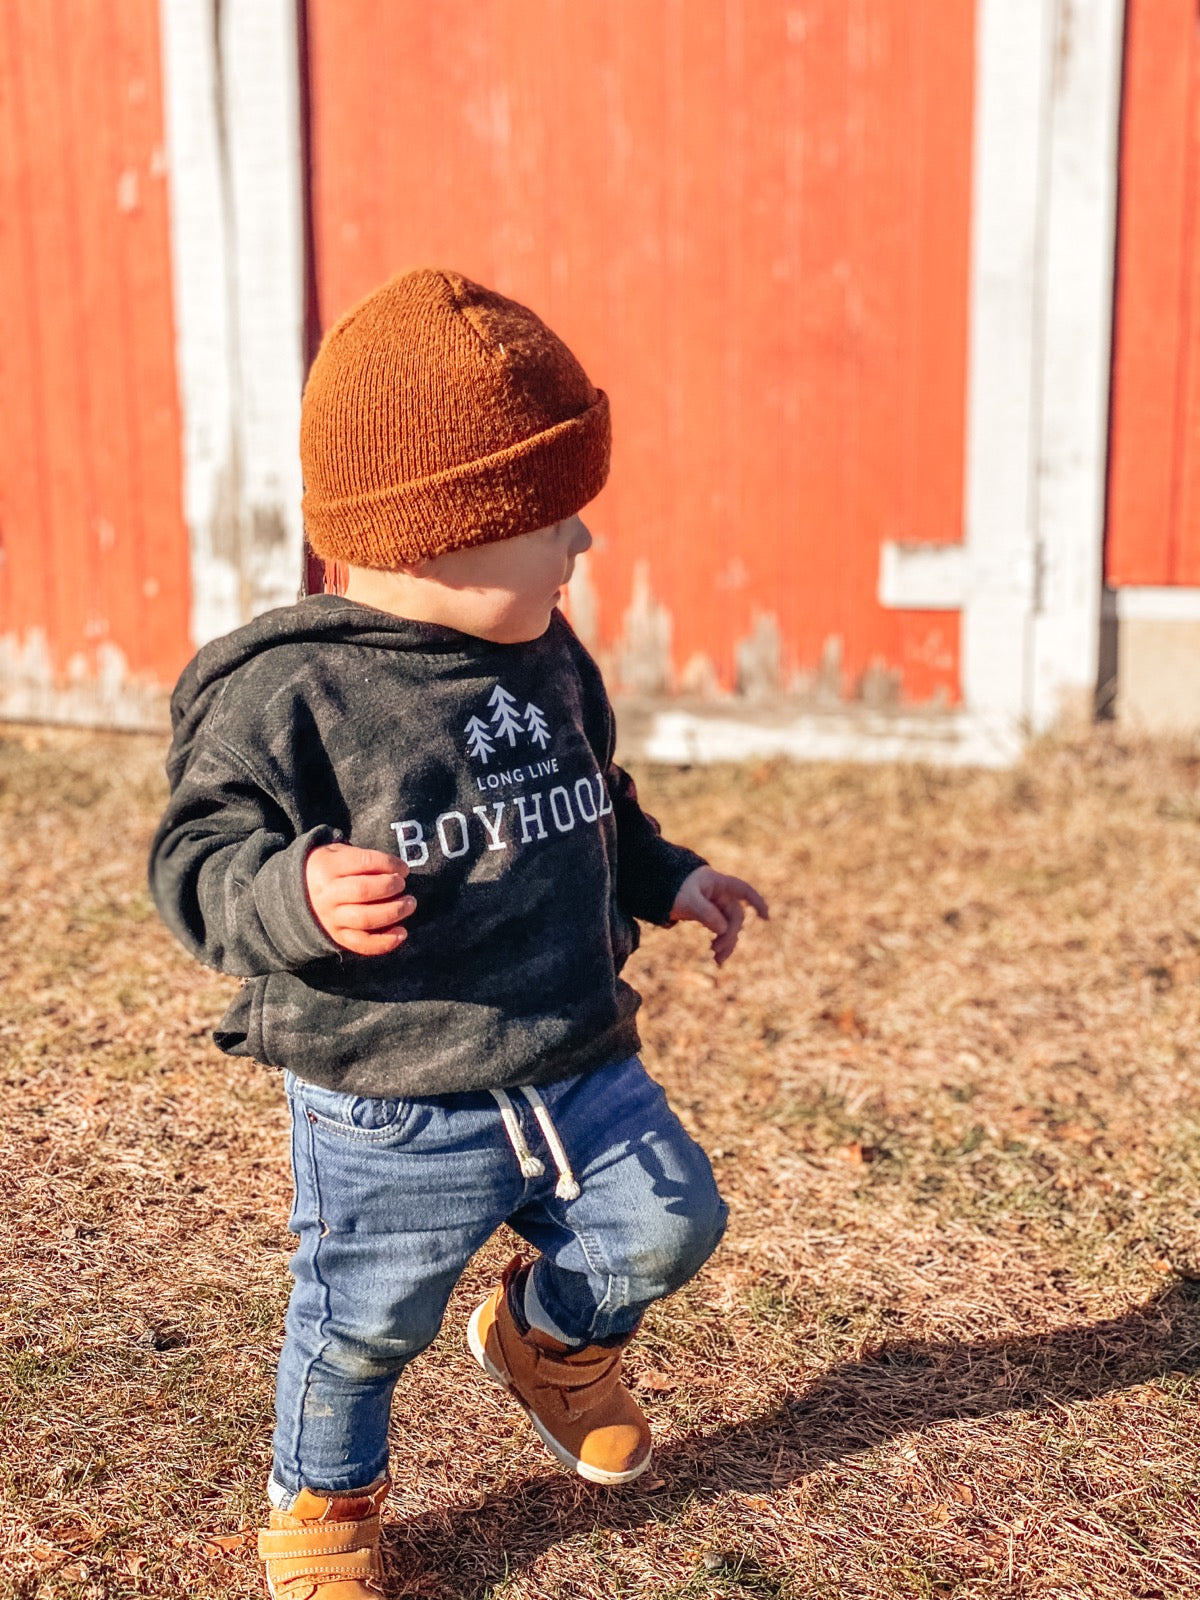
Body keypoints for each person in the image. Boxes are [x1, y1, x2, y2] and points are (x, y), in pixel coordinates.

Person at [149, 268, 768, 1600]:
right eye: (553, 520)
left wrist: (670, 877)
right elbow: (194, 860)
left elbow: (590, 802)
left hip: (571, 1045)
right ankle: (321, 1508)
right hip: (395, 1103)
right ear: (442, 531)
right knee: (364, 1325)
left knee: (669, 1219)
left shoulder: (547, 652)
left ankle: (549, 1338)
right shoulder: (290, 695)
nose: (580, 549)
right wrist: (290, 896)